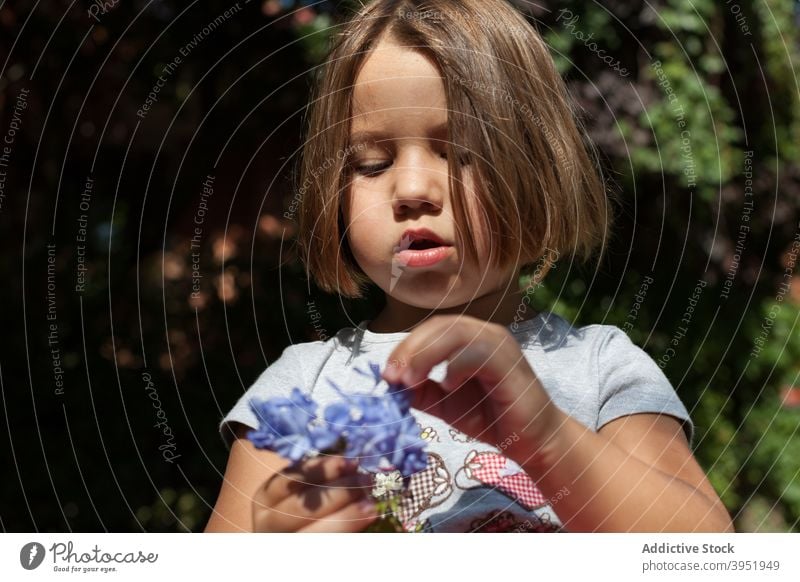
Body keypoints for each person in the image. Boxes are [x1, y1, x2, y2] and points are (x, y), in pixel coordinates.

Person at [205, 0, 733, 533]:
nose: (411, 190)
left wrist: (547, 437)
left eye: (461, 153)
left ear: (541, 180)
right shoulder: (301, 388)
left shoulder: (600, 370)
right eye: (372, 164)